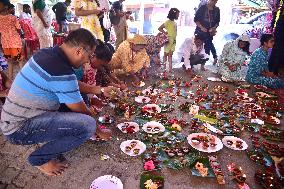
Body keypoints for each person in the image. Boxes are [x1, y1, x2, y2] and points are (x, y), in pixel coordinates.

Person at [0, 29, 113, 176]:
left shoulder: (48, 53)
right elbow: (82, 111)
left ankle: (56, 136)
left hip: (17, 118)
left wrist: (100, 90)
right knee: (87, 125)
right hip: (18, 129)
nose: (88, 61)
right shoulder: (61, 71)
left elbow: (71, 84)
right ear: (79, 51)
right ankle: (40, 159)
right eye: (89, 56)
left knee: (82, 98)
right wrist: (99, 131)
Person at [0, 0, 24, 79]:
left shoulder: (13, 17)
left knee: (14, 61)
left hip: (9, 43)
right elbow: (19, 30)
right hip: (11, 43)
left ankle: (14, 78)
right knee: (15, 61)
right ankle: (20, 78)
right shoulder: (13, 17)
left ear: (6, 6)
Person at [194, 0, 220, 65]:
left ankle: (203, 65)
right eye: (212, 1)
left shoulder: (217, 10)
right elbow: (196, 19)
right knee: (197, 47)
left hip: (209, 33)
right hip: (200, 31)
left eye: (215, 1)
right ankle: (192, 63)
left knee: (207, 47)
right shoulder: (202, 8)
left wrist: (214, 28)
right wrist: (201, 27)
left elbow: (217, 22)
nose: (213, 2)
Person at [158, 8, 180, 73]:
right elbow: (159, 28)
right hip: (168, 40)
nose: (178, 15)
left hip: (173, 41)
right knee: (165, 54)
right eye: (177, 14)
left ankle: (170, 69)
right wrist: (165, 33)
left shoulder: (175, 23)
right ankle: (164, 68)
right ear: (174, 14)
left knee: (170, 54)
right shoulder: (167, 22)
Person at [269, 6, 284, 75]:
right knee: (277, 53)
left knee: (277, 53)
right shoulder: (281, 17)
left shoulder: (280, 17)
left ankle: (273, 72)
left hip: (278, 41)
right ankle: (273, 72)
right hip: (279, 42)